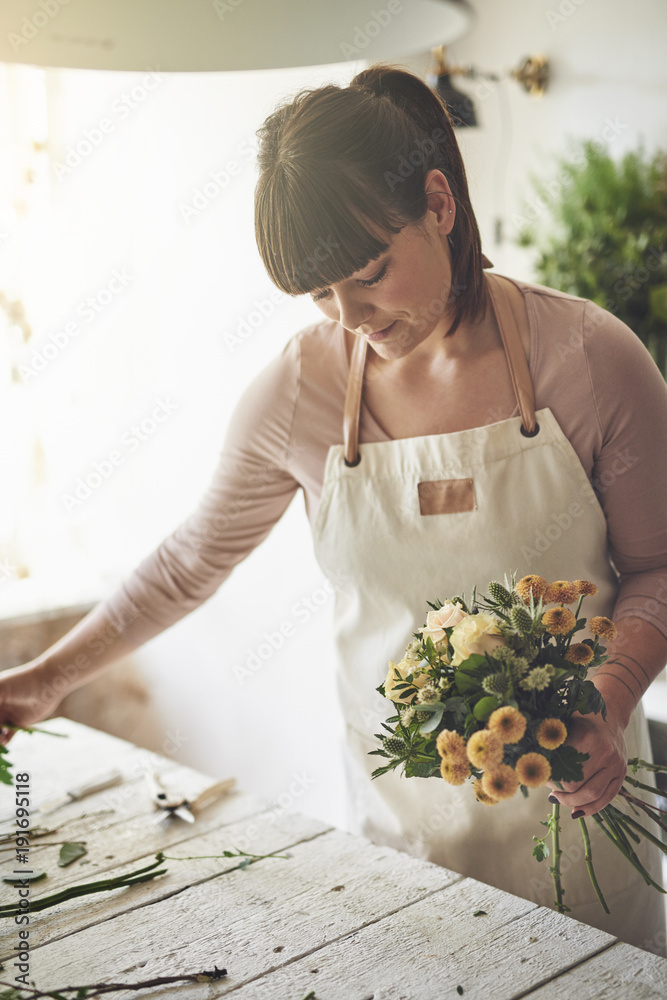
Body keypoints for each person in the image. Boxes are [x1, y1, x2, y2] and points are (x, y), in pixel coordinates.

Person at [1, 65, 666, 952]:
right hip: (402, 841)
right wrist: (40, 683)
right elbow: (189, 561)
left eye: (368, 274)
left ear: (439, 204)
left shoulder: (586, 357)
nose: (350, 317)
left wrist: (608, 698)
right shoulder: (301, 388)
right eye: (319, 296)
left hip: (581, 824)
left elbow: (658, 566)